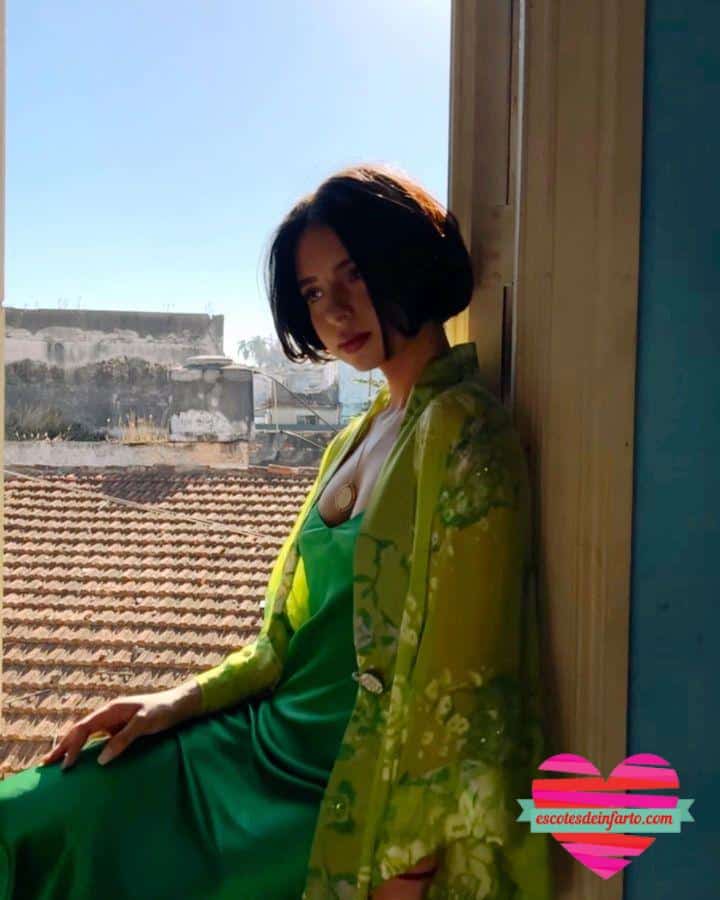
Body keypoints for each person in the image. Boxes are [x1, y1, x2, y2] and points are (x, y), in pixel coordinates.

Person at [0, 163, 554, 899]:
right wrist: (176, 702)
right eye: (314, 292)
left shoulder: (468, 435)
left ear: (410, 261)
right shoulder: (352, 439)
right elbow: (281, 643)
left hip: (345, 795)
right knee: (30, 817)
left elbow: (467, 682)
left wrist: (408, 866)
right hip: (254, 741)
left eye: (355, 274)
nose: (337, 310)